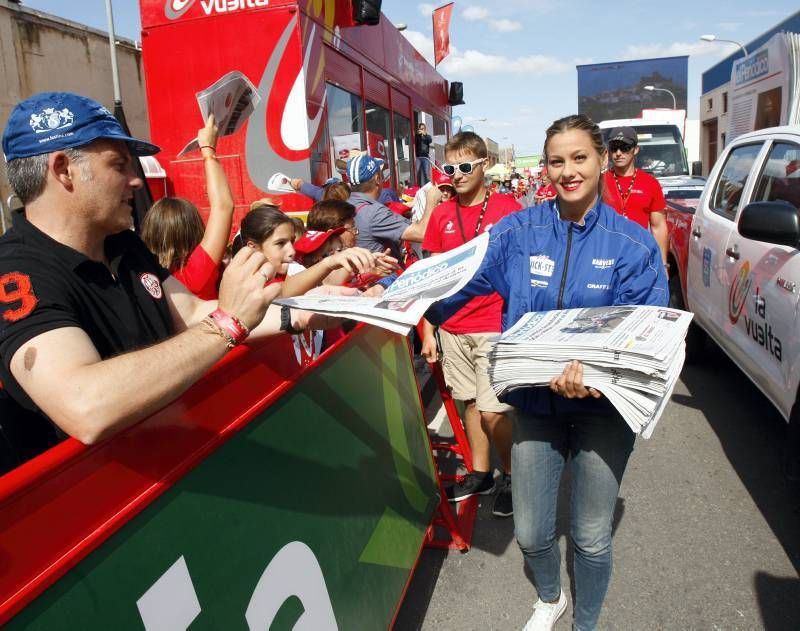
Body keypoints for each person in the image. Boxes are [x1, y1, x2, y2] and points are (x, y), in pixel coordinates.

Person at [0, 92, 329, 470]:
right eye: (119, 165)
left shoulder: (122, 243)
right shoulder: (16, 271)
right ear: (63, 170)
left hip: (173, 472)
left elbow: (190, 311)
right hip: (106, 512)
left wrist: (307, 313)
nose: (135, 181)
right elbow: (85, 405)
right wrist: (226, 325)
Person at [427, 114, 667, 631]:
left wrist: (598, 374)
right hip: (534, 404)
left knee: (589, 535)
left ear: (602, 160)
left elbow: (644, 334)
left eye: (579, 158)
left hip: (603, 411)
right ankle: (551, 597)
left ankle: (585, 622)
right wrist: (403, 300)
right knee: (534, 533)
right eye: (556, 161)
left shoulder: (633, 244)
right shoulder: (517, 231)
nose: (567, 171)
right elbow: (458, 281)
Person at [420, 131, 520, 517]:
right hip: (452, 326)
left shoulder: (508, 208)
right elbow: (430, 275)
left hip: (495, 322)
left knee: (495, 411)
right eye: (450, 168)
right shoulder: (442, 214)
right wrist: (428, 329)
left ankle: (511, 473)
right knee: (471, 406)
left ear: (484, 165)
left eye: (465, 166)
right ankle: (481, 472)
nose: (457, 175)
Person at [140, 114, 231, 300]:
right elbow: (223, 206)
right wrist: (208, 149)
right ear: (195, 230)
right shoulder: (194, 275)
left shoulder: (145, 277)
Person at [602, 126, 669, 269]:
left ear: (636, 149)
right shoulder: (599, 182)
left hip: (639, 259)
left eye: (624, 147)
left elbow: (658, 226)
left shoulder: (650, 183)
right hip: (605, 259)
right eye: (614, 148)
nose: (618, 153)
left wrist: (663, 264)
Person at [346, 154, 433, 261]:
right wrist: (431, 199)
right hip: (382, 276)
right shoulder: (375, 213)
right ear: (377, 179)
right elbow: (422, 233)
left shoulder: (343, 206)